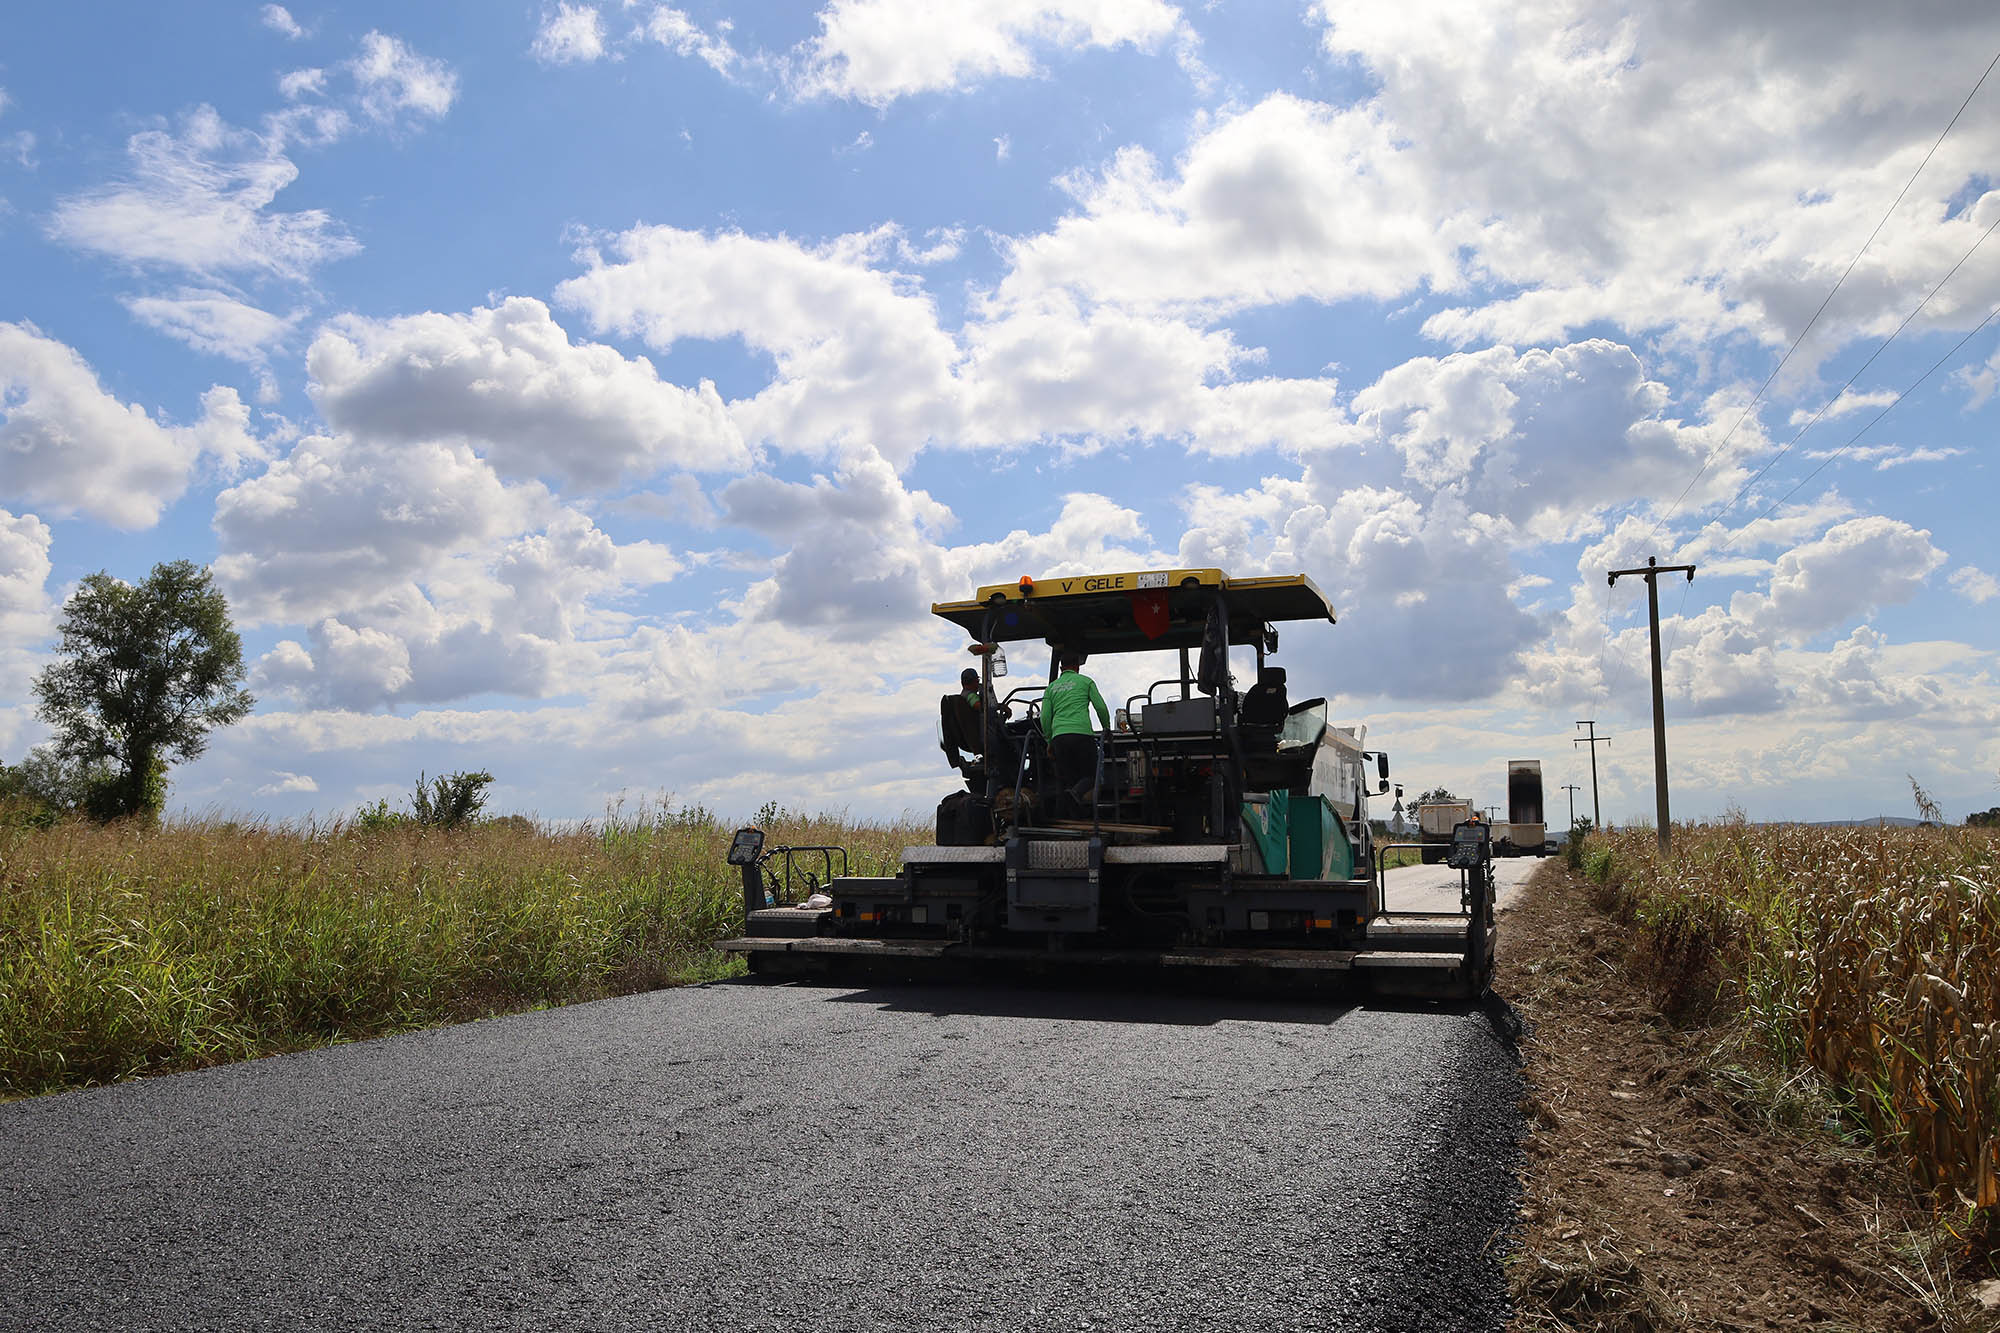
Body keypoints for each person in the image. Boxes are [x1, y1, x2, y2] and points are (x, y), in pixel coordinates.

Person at [1040, 648, 1110, 813]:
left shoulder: (1051, 688)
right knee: (1092, 776)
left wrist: (1049, 740)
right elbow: (1100, 707)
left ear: (1061, 668)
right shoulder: (1086, 682)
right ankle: (1077, 795)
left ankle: (1071, 815)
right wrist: (1106, 728)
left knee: (1069, 779)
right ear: (1077, 666)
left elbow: (1045, 717)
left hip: (1059, 737)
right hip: (1082, 735)